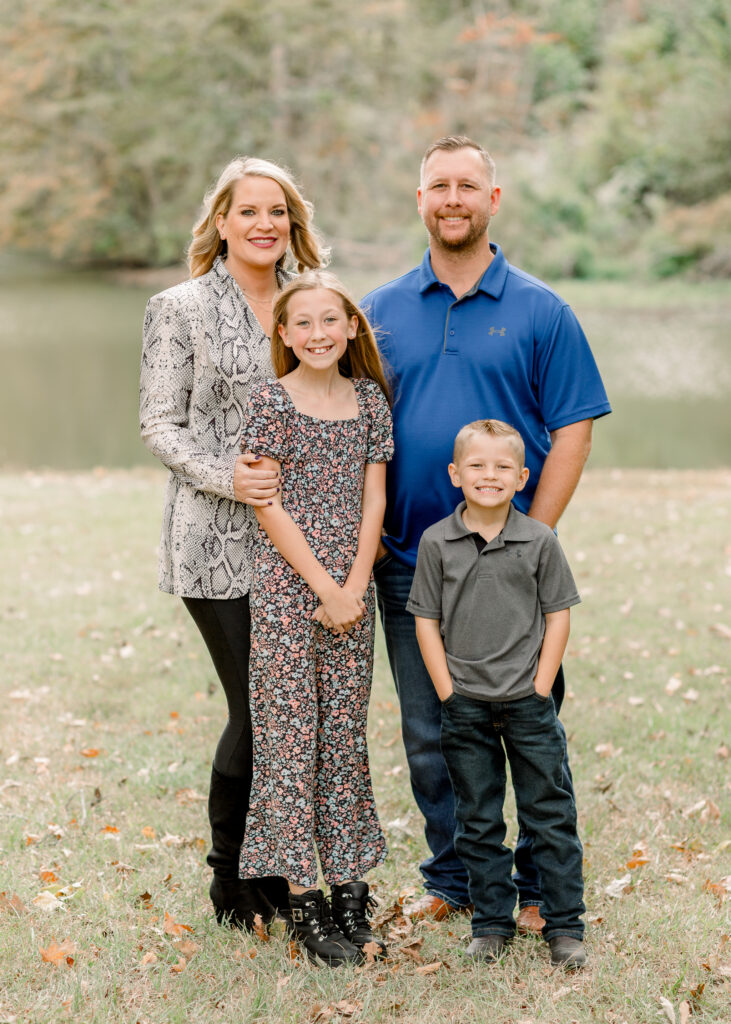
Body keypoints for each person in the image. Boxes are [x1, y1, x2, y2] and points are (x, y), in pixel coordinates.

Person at [362, 135, 610, 928]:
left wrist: (529, 541)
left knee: (528, 727)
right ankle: (461, 882)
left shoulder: (541, 309)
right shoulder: (380, 311)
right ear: (420, 199)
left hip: (512, 565)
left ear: (493, 200)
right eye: (438, 185)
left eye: (468, 185)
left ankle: (538, 889)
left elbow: (572, 430)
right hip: (409, 565)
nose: (453, 199)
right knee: (432, 733)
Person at [140, 156, 326, 933]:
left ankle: (278, 877)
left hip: (305, 544)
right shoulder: (178, 307)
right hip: (215, 543)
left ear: (292, 223)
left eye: (277, 212)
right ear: (220, 222)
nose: (263, 224)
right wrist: (230, 478)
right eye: (247, 210)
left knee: (293, 713)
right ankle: (231, 881)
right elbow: (159, 422)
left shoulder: (311, 303)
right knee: (257, 709)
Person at [238, 271, 394, 966]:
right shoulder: (271, 402)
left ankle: (348, 894)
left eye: (330, 320)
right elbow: (267, 504)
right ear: (282, 334)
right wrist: (323, 588)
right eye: (302, 323)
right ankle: (303, 904)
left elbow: (373, 500)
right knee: (289, 744)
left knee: (342, 741)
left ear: (352, 327)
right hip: (287, 595)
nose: (318, 334)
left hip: (352, 597)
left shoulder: (367, 401)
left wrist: (354, 585)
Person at [408, 419, 586, 968]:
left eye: (502, 467)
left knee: (549, 813)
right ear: (455, 474)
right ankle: (490, 923)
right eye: (477, 466)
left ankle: (564, 926)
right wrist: (447, 690)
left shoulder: (539, 540)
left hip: (528, 705)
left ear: (522, 475)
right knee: (478, 818)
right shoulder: (437, 541)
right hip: (465, 706)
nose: (490, 476)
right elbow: (426, 622)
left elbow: (558, 616)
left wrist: (539, 686)